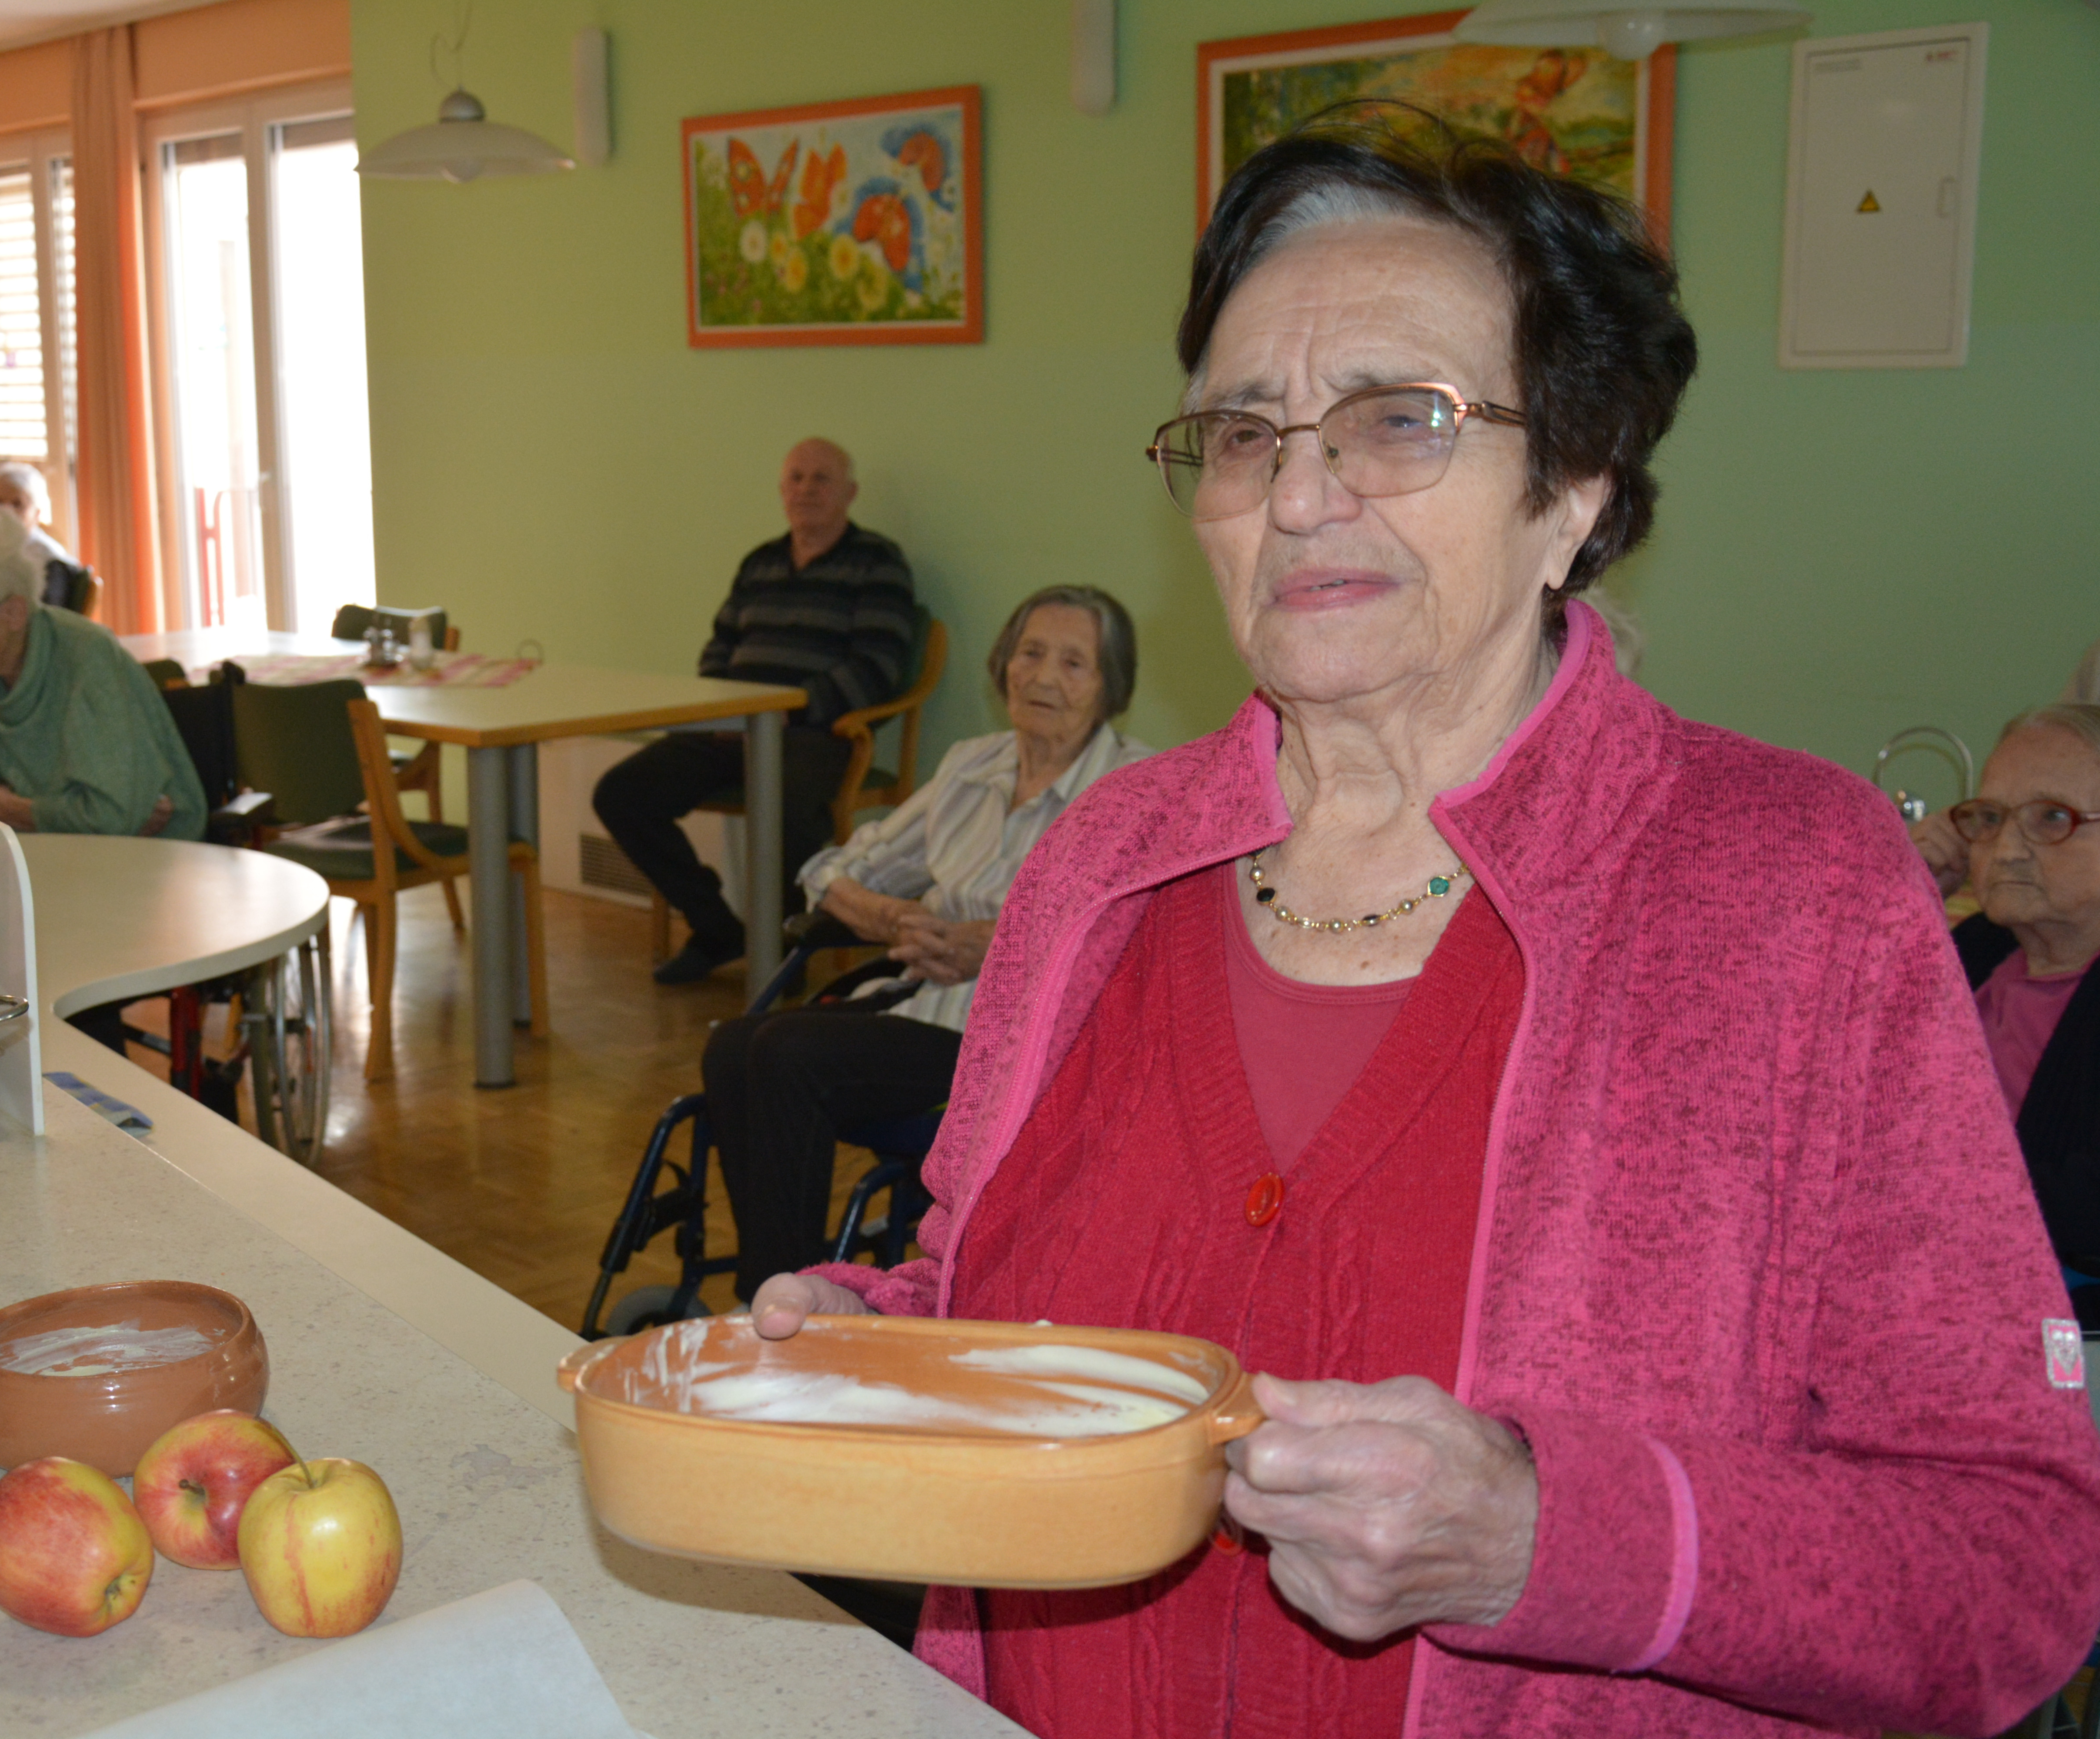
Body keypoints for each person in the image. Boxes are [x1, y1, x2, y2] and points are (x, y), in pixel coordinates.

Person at [749, 113, 2100, 1738]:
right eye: (1245, 434)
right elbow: (1002, 1301)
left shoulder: (1787, 888)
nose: (1302, 491)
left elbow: (2014, 1550)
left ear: (1574, 490)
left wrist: (1547, 1532)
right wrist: (884, 1348)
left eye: (1400, 418)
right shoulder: (1102, 861)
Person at [705, 586, 1150, 1298]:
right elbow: (831, 870)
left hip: (1018, 1050)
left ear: (1109, 688)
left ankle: (786, 1300)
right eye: (1031, 653)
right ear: (1004, 661)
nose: (1042, 677)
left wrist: (1004, 948)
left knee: (790, 1057)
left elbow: (1135, 932)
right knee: (733, 1045)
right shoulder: (971, 767)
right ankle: (777, 1281)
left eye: (1074, 664)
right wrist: (889, 918)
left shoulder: (1132, 792)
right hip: (922, 1011)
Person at [593, 439, 917, 985]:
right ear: (781, 491)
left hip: (815, 732)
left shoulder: (878, 564)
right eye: (796, 478)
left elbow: (878, 665)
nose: (806, 490)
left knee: (787, 807)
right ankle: (718, 928)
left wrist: (794, 709)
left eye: (822, 480)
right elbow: (719, 648)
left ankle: (786, 953)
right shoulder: (760, 561)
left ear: (850, 493)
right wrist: (724, 708)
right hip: (732, 726)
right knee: (622, 793)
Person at [1914, 705, 2100, 1323]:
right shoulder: (1974, 950)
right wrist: (1902, 897)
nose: (2008, 849)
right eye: (1989, 819)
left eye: (2053, 818)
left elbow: (2085, 1209)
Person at [0, 510, 206, 842]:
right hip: (31, 863)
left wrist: (8, 809)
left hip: (152, 860)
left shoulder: (87, 657)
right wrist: (68, 815)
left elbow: (110, 818)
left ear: (14, 612)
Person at [0, 461, 98, 613]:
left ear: (37, 513)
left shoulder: (51, 563)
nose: (6, 513)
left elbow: (47, 619)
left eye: (17, 504)